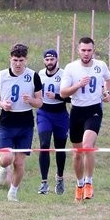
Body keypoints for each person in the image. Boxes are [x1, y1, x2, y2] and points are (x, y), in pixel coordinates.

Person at [59, 37, 110, 202]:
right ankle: (79, 183)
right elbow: (63, 93)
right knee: (77, 153)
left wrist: (106, 92)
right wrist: (78, 85)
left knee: (88, 147)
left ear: (93, 51)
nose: (86, 53)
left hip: (94, 110)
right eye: (83, 50)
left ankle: (89, 182)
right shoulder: (71, 68)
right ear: (78, 50)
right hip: (76, 112)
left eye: (89, 50)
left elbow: (109, 80)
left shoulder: (100, 65)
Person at [0, 43, 43, 201]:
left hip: (25, 122)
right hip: (7, 121)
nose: (18, 63)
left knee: (19, 162)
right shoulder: (1, 75)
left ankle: (13, 192)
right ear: (10, 59)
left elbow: (40, 102)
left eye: (21, 60)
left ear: (26, 60)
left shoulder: (33, 76)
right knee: (7, 158)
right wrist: (2, 104)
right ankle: (2, 167)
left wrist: (31, 101)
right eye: (15, 60)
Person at [36, 49, 70, 195]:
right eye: (47, 60)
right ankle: (44, 182)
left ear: (57, 60)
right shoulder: (39, 74)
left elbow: (70, 98)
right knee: (44, 145)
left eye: (52, 59)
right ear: (44, 61)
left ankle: (60, 178)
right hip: (44, 113)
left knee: (60, 147)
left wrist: (56, 95)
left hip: (60, 114)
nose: (50, 62)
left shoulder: (64, 75)